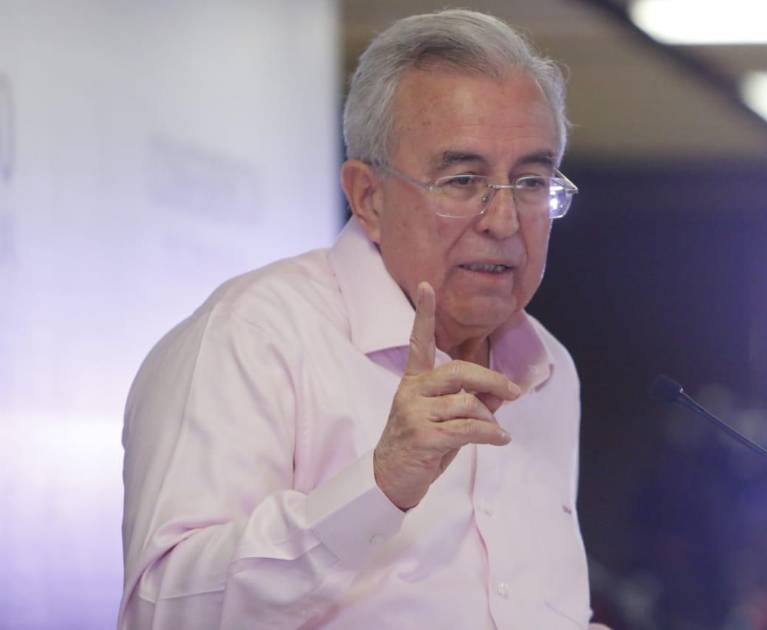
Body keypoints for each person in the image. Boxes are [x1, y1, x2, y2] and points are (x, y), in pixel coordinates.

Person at [120, 9, 594, 629]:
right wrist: (379, 485)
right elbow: (162, 610)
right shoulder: (255, 335)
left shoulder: (549, 369)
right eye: (462, 180)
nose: (504, 221)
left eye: (530, 182)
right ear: (368, 196)